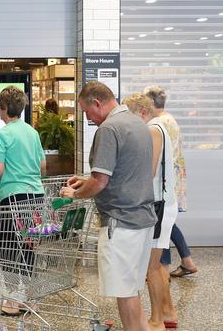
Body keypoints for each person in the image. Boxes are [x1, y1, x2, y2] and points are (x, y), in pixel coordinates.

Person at [60, 81, 156, 331]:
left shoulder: (109, 129)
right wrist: (85, 181)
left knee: (124, 293)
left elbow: (101, 181)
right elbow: (124, 172)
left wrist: (74, 194)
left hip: (120, 222)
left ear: (97, 103)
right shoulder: (138, 123)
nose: (88, 118)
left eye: (86, 111)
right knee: (133, 289)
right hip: (143, 219)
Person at [0, 86, 45, 315]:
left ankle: (10, 301)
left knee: (8, 247)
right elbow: (42, 166)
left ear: (4, 108)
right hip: (35, 196)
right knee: (29, 246)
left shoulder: (3, 134)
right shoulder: (32, 132)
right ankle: (31, 298)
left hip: (12, 197)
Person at [124, 93, 179, 330]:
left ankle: (156, 319)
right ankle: (167, 312)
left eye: (130, 115)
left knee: (152, 267)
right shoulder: (155, 127)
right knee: (157, 265)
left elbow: (150, 168)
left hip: (159, 204)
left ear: (142, 112)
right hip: (161, 203)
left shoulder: (153, 130)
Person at [143, 86, 198, 279]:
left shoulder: (159, 123)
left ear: (150, 103)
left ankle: (162, 266)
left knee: (163, 222)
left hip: (164, 180)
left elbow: (156, 157)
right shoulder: (169, 119)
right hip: (171, 177)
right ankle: (185, 260)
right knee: (167, 221)